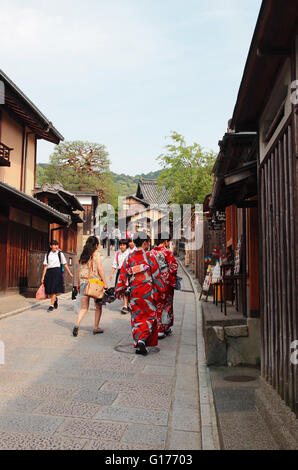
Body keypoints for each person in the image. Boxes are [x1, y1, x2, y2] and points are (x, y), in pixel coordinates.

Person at [116, 232, 165, 356]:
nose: (148, 244)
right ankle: (142, 340)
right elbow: (156, 275)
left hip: (134, 291)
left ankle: (138, 341)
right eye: (148, 242)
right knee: (149, 316)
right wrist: (162, 290)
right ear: (144, 243)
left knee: (137, 317)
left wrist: (120, 289)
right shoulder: (149, 257)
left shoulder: (129, 257)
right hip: (148, 292)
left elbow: (123, 275)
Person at [73, 236, 108, 337]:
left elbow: (78, 270)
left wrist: (78, 284)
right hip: (95, 283)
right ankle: (96, 327)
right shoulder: (96, 254)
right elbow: (100, 269)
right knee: (98, 306)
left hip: (84, 282)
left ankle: (77, 324)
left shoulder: (83, 255)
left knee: (84, 308)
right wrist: (105, 283)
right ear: (96, 245)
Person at [151, 233, 178, 339]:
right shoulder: (167, 252)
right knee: (167, 305)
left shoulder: (151, 252)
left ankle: (157, 328)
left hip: (154, 282)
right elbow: (173, 267)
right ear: (166, 241)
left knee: (156, 304)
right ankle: (164, 328)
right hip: (166, 283)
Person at [41, 240, 74, 312]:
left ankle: (51, 305)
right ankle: (55, 299)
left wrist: (70, 273)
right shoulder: (47, 254)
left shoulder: (60, 254)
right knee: (49, 290)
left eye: (57, 245)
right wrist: (43, 277)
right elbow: (45, 266)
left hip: (57, 272)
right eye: (54, 245)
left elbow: (65, 264)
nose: (56, 246)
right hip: (49, 272)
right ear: (51, 246)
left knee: (54, 289)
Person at [110, 239, 130, 314]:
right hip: (120, 273)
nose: (121, 246)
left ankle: (128, 304)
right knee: (123, 289)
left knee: (128, 289)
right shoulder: (117, 254)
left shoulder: (130, 253)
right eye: (120, 245)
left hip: (128, 273)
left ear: (126, 246)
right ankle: (125, 305)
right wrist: (112, 274)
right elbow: (115, 264)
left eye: (123, 245)